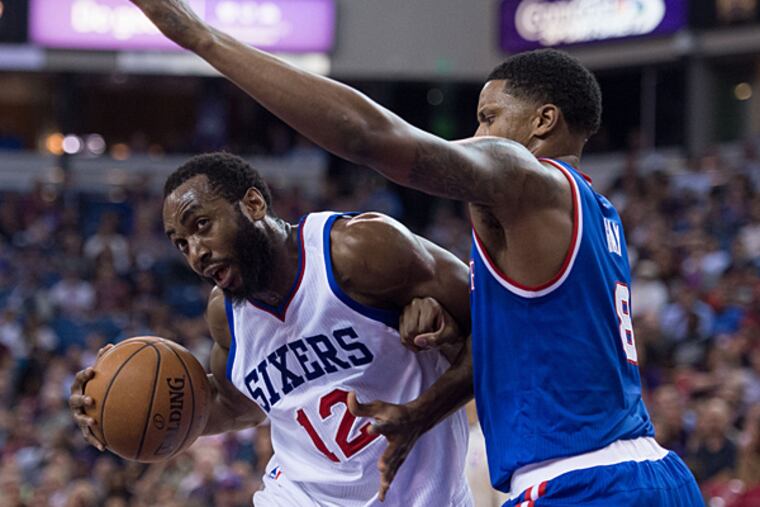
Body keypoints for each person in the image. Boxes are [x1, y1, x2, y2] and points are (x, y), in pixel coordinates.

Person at [123, 1, 705, 504]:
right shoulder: (595, 214)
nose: (478, 136)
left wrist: (201, 37)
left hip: (579, 483)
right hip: (651, 470)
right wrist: (436, 366)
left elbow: (372, 140)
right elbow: (517, 344)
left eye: (487, 117)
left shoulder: (526, 177)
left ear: (543, 122)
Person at [70, 153, 474, 506]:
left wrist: (424, 409)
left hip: (424, 493)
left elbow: (499, 329)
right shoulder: (224, 315)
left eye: (202, 224)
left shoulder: (357, 251)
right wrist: (112, 411)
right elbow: (234, 406)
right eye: (181, 243)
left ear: (253, 203)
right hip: (298, 496)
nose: (196, 252)